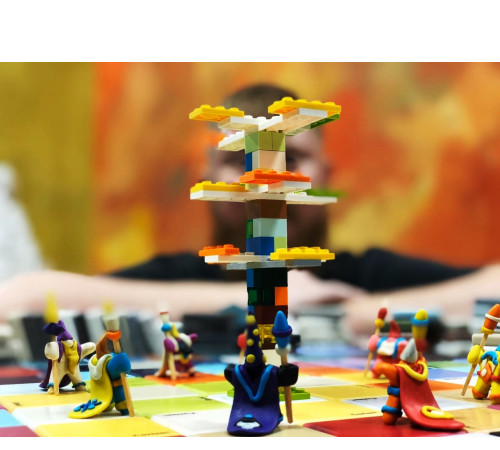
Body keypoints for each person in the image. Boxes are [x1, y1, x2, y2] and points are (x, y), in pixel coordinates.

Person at [1, 83, 499, 342]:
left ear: (326, 173)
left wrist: (345, 314)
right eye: (239, 158)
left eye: (292, 156)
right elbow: (19, 297)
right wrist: (263, 298)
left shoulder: (360, 274)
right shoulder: (183, 273)